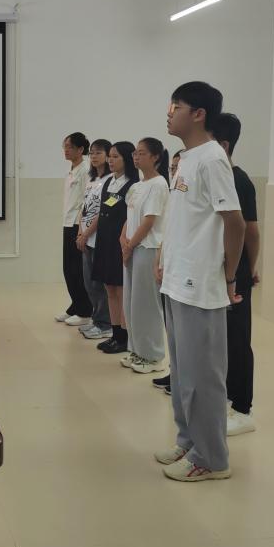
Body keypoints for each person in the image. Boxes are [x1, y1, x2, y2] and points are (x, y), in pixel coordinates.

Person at [155, 82, 245, 482]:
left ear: (198, 114)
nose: (168, 113)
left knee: (203, 377)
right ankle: (189, 439)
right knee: (182, 373)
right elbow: (182, 219)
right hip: (176, 280)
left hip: (200, 285)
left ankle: (211, 457)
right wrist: (164, 258)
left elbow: (234, 222)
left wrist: (229, 275)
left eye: (176, 106)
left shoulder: (212, 159)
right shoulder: (187, 159)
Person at [211, 113, 260, 436]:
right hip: (213, 268)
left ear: (224, 145)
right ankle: (223, 397)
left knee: (237, 338)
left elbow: (250, 231)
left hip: (235, 270)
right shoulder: (211, 175)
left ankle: (242, 408)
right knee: (219, 338)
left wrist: (249, 269)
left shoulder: (238, 180)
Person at [118, 137, 170, 373]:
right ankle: (138, 350)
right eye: (135, 153)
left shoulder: (159, 184)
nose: (136, 157)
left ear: (155, 157)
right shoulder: (137, 186)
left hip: (147, 249)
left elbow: (149, 221)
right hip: (132, 248)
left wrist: (130, 246)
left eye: (141, 153)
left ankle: (153, 356)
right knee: (131, 303)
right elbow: (130, 218)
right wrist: (123, 239)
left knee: (147, 304)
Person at [92, 142, 137, 352]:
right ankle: (115, 332)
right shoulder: (109, 181)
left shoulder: (133, 184)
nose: (110, 160)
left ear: (127, 158)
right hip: (104, 240)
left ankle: (125, 337)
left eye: (115, 156)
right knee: (109, 287)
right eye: (109, 156)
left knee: (120, 289)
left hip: (119, 241)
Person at [76, 141, 113, 337]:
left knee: (99, 284)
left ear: (108, 155)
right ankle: (97, 319)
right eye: (91, 153)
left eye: (98, 153)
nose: (94, 156)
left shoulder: (110, 179)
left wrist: (87, 233)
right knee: (88, 283)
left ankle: (105, 324)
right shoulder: (91, 180)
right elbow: (84, 208)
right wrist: (80, 232)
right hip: (86, 238)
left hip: (98, 238)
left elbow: (103, 211)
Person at [56, 133, 93, 326]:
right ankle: (76, 305)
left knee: (77, 269)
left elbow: (87, 201)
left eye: (70, 147)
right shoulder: (72, 170)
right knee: (68, 269)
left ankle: (85, 311)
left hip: (77, 225)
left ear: (80, 149)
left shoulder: (85, 170)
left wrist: (82, 229)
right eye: (65, 146)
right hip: (67, 223)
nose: (66, 150)